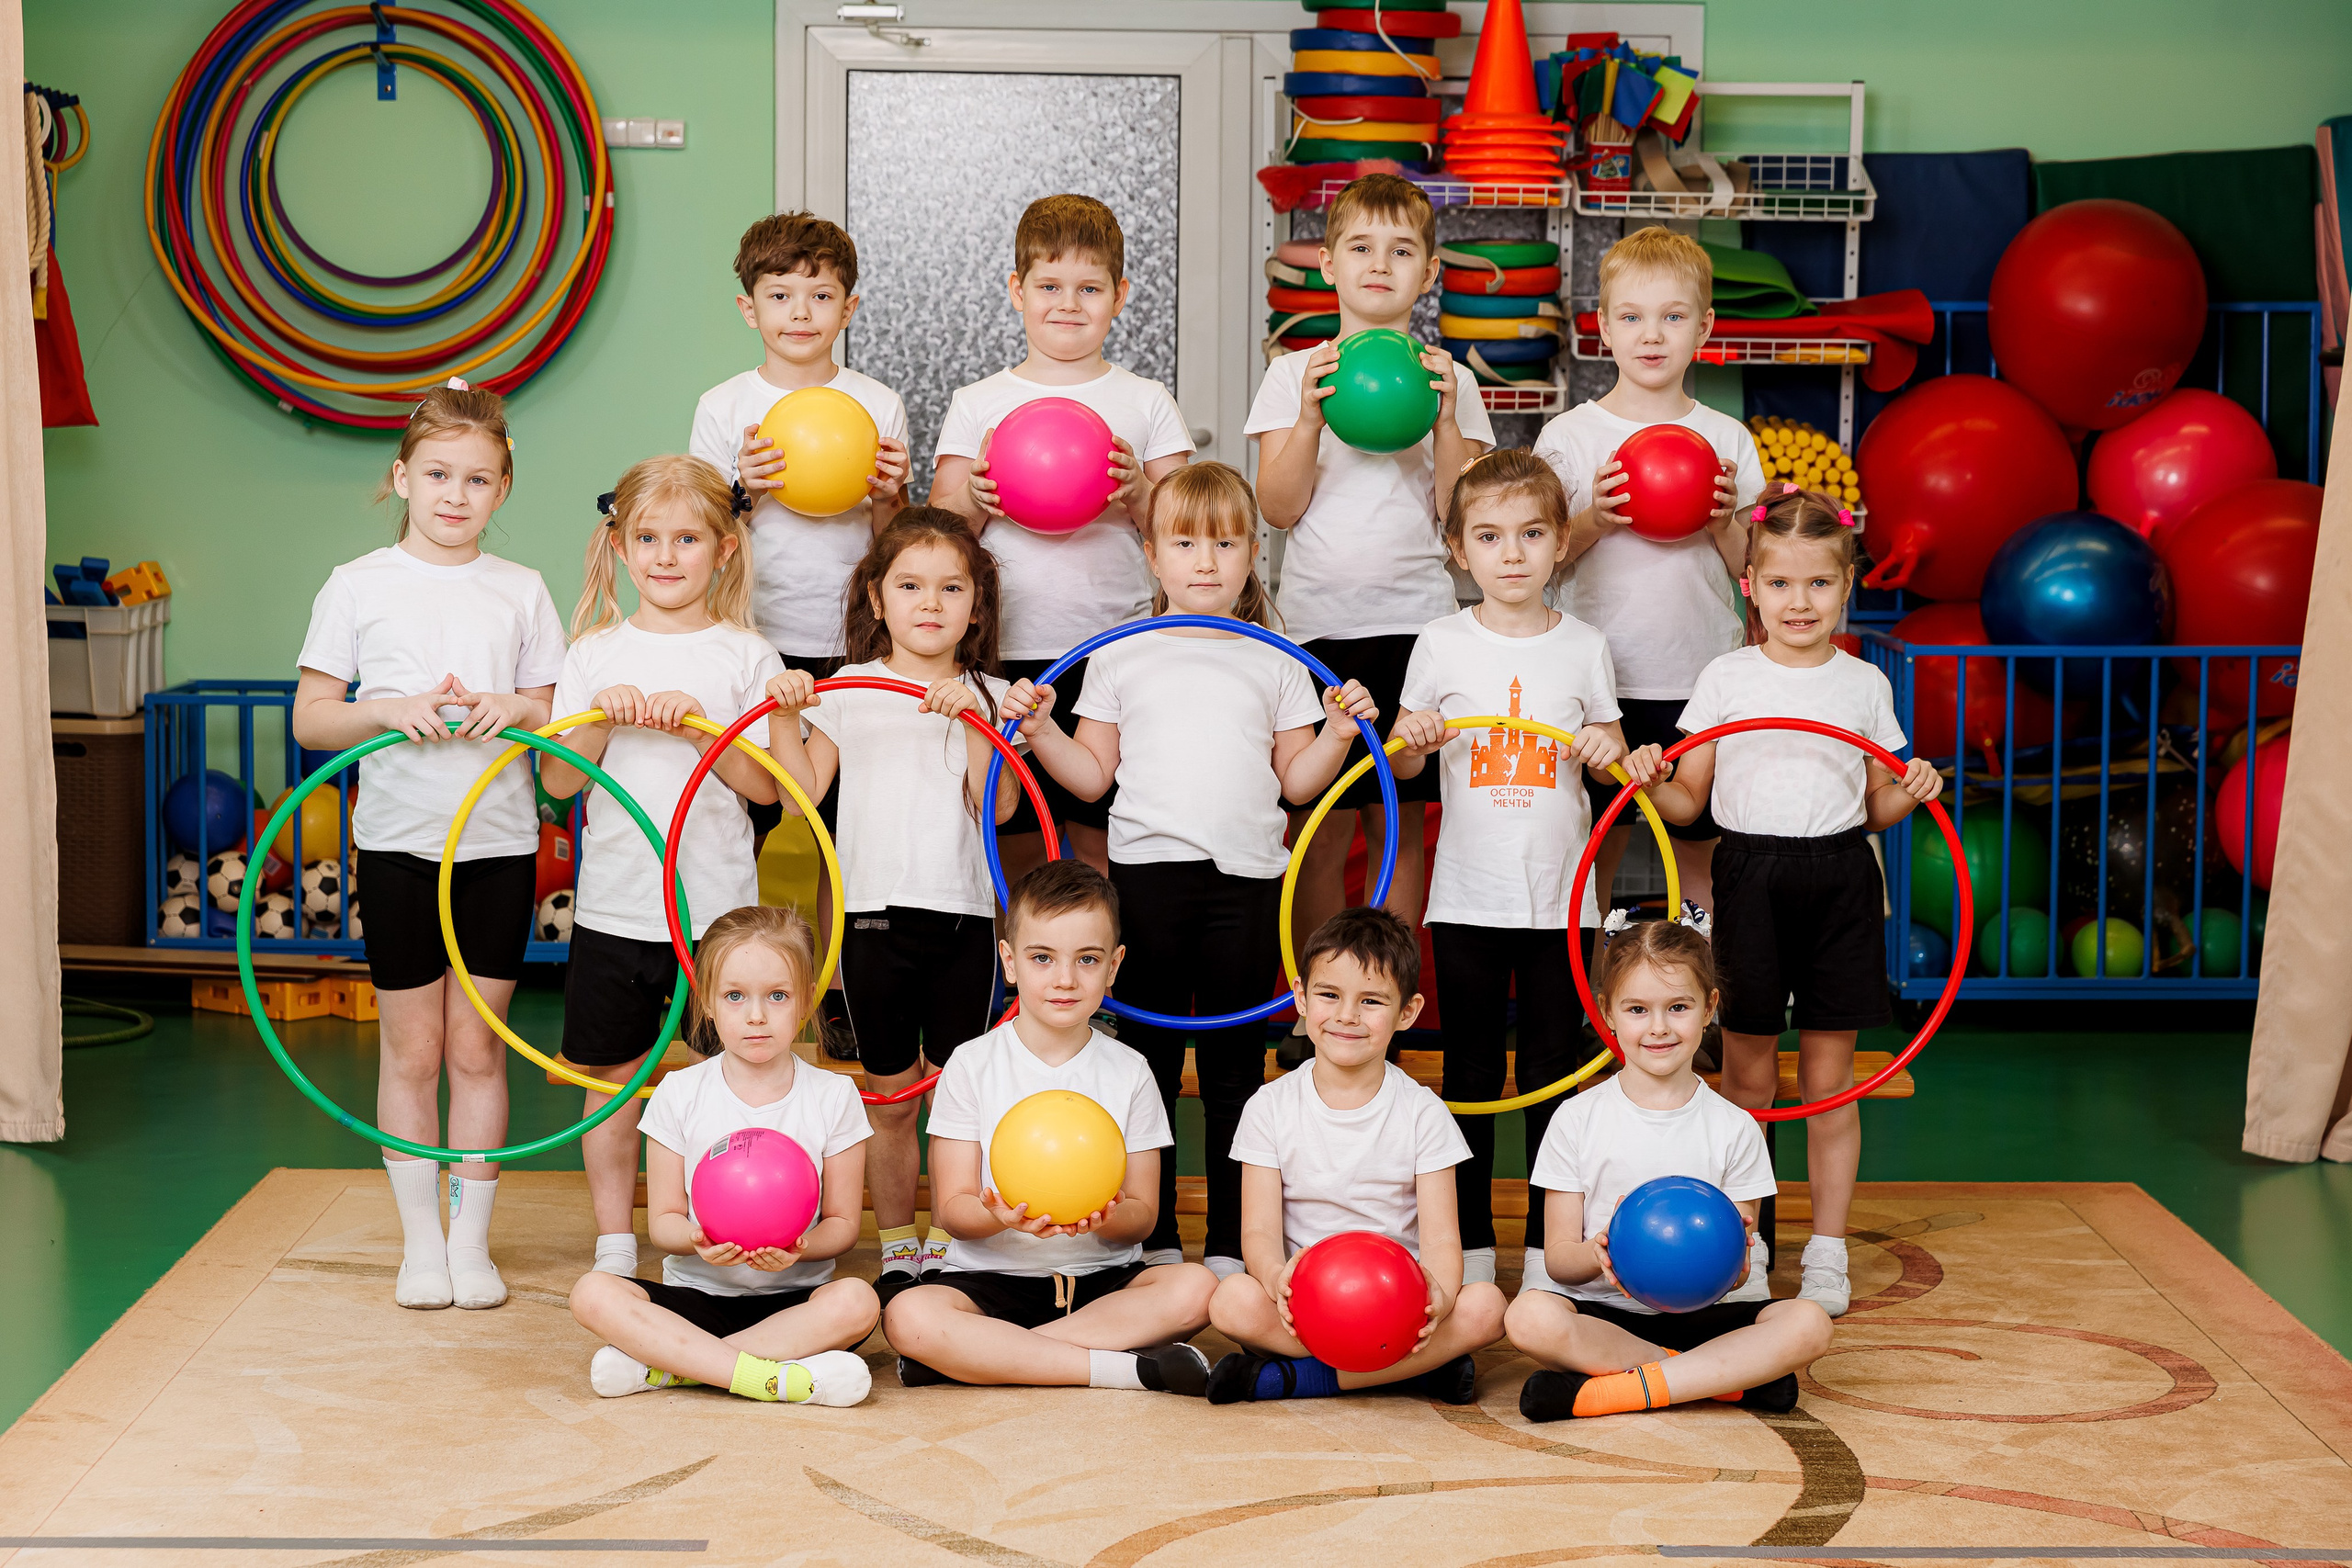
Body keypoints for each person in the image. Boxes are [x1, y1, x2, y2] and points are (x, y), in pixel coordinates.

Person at [1002, 464, 1377, 1276]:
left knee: (1241, 1069)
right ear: (1151, 554)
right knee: (1152, 1066)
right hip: (1150, 880)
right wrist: (1040, 730)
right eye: (1184, 542)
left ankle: (1238, 1247)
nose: (1205, 560)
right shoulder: (1121, 655)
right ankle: (1160, 1236)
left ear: (1253, 554)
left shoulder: (1278, 660)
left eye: (1225, 542)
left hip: (1247, 884)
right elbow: (1093, 778)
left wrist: (1341, 735)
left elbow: (1295, 782)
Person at [1623, 487, 1941, 1314]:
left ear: (1847, 589)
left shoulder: (1864, 683)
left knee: (1832, 1082)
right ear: (1750, 586)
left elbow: (1874, 804)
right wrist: (1653, 783)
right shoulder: (1726, 676)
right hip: (1750, 878)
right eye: (1780, 585)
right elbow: (1692, 803)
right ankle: (1749, 1241)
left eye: (1820, 585)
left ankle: (1828, 1248)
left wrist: (1915, 789)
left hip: (1840, 878)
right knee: (1748, 1079)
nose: (1799, 603)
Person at [292, 380, 564, 1312]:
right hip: (402, 849)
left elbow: (557, 713)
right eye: (439, 473)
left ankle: (473, 1244)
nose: (456, 494)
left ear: (502, 490)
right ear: (401, 475)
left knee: (477, 1052)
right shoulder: (356, 585)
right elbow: (313, 719)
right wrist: (389, 711)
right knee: (410, 1051)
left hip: (497, 848)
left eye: (479, 478)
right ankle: (422, 1247)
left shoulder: (520, 590)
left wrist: (516, 708)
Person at [762, 508, 1020, 1301]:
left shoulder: (996, 693)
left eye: (951, 588)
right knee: (888, 1095)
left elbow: (999, 810)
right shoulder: (846, 691)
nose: (930, 603)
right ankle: (899, 1241)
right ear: (877, 598)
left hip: (967, 920)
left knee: (951, 1094)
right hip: (871, 920)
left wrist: (980, 721)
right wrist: (784, 712)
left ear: (976, 606)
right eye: (910, 586)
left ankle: (949, 1235)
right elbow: (797, 793)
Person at [538, 457, 784, 1282]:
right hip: (616, 909)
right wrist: (602, 720)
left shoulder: (746, 654)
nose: (666, 556)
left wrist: (699, 733)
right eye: (647, 538)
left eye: (686, 539)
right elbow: (559, 781)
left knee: (733, 1077)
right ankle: (616, 1237)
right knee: (612, 1081)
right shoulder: (594, 652)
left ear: (722, 550)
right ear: (619, 545)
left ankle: (730, 1217)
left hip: (715, 918)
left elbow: (764, 790)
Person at [1387, 450, 1625, 1291]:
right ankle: (1475, 1251)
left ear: (1562, 542)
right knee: (1473, 1077)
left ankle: (1554, 1254)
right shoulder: (1439, 642)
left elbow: (1613, 768)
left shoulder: (1585, 646)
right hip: (1467, 900)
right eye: (1489, 536)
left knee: (1555, 1075)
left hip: (1564, 905)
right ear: (1458, 548)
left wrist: (1607, 752)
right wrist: (1409, 741)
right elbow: (1407, 774)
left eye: (1530, 534)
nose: (1512, 553)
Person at [688, 210, 911, 1059]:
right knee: (734, 823)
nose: (801, 312)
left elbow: (893, 533)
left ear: (848, 307)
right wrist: (741, 488)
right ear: (750, 309)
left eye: (820, 295)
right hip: (750, 637)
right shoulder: (725, 407)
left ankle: (837, 990)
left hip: (852, 644)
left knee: (837, 831)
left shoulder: (875, 402)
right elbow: (699, 526)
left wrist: (892, 494)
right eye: (781, 295)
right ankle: (719, 993)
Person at [1249, 172, 1496, 937]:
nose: (1379, 263)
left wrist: (1448, 421)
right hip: (1318, 633)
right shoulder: (1293, 373)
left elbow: (1464, 525)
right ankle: (1320, 993)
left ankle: (1389, 988)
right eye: (1360, 246)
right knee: (1322, 826)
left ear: (1427, 273)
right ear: (1328, 264)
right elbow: (1277, 507)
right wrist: (1309, 421)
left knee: (1402, 827)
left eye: (1401, 250)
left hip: (1420, 633)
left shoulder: (1450, 380)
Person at [881, 860, 1219, 1393]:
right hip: (989, 1281)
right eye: (1043, 958)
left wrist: (1103, 1219)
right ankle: (1120, 1369)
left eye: (1087, 959)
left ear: (1113, 966)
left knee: (1200, 1287)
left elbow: (1142, 1216)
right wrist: (1001, 1218)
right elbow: (953, 1209)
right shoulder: (970, 1064)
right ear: (1010, 962)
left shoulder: (1131, 1071)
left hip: (1103, 1281)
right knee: (907, 1315)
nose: (1065, 979)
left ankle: (996, 1356)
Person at [932, 194, 1194, 880]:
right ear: (1018, 291)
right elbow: (936, 532)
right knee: (1010, 831)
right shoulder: (978, 401)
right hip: (1002, 649)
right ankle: (1016, 980)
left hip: (1116, 649)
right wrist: (974, 498)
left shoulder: (1146, 400)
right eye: (1049, 286)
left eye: (1089, 288)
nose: (1068, 304)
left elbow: (1188, 526)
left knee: (1101, 832)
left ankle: (1102, 982)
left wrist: (1140, 490)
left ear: (1120, 295)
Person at [1503, 920, 1831, 1420]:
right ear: (1607, 1013)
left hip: (1707, 1314)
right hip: (1606, 1317)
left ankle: (1614, 1390)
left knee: (1810, 1322)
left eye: (1678, 1007)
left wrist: (1737, 1264)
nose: (1658, 1027)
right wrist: (1599, 1253)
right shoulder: (1575, 1119)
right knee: (1528, 1318)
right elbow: (1559, 1262)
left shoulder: (1737, 1128)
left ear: (1710, 1010)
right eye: (1638, 1010)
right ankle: (1718, 1378)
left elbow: (1741, 1275)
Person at [1531, 225, 1763, 919]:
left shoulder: (1728, 438)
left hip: (1699, 677)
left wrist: (1724, 523)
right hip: (1595, 683)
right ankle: (1590, 997)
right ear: (1603, 327)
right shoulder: (1570, 436)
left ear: (1705, 328)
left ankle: (1697, 999)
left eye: (1673, 316)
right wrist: (1594, 517)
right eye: (1632, 317)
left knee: (1697, 842)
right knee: (1594, 840)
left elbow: (1755, 573)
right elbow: (1535, 561)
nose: (1651, 335)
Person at [567, 904, 877, 1406]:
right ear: (708, 1003)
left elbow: (843, 1225)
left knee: (858, 1301)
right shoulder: (679, 1092)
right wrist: (696, 1239)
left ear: (804, 1003)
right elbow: (663, 1222)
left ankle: (673, 1369)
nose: (756, 1015)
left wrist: (801, 1247)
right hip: (697, 1299)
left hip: (794, 1303)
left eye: (777, 996)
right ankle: (773, 1375)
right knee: (593, 1292)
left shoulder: (833, 1094)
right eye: (735, 996)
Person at [1205, 908, 1507, 1404]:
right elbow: (1258, 1231)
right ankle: (1412, 1374)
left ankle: (1300, 1379)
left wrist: (1441, 1299)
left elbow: (1439, 1238)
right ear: (1300, 997)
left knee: (1487, 1307)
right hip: (1305, 1304)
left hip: (1396, 1306)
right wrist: (1278, 1279)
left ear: (1407, 1013)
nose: (1347, 1015)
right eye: (1329, 995)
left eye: (1371, 1001)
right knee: (1230, 1301)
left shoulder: (1423, 1112)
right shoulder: (1269, 1107)